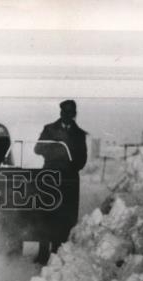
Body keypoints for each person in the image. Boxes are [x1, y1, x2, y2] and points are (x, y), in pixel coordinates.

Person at [34, 99, 87, 265]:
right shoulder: (49, 129)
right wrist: (56, 152)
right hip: (49, 177)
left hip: (68, 179)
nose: (67, 116)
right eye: (65, 113)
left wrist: (70, 167)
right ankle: (43, 253)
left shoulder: (79, 134)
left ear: (74, 114)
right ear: (61, 113)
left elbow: (82, 158)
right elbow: (37, 148)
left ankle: (57, 251)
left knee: (65, 216)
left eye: (71, 113)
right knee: (46, 214)